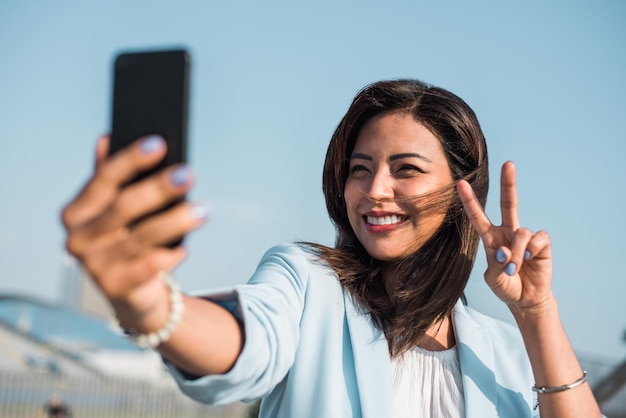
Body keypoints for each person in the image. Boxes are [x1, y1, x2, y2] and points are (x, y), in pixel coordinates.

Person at [62, 79, 603, 417]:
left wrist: (536, 313)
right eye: (359, 170)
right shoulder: (306, 280)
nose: (373, 191)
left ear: (465, 194)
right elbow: (245, 343)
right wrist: (152, 304)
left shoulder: (507, 350)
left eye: (406, 170)